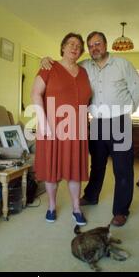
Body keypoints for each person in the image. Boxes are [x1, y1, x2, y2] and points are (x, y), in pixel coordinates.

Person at [41, 31, 139, 227]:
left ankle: (121, 211)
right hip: (96, 122)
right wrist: (46, 60)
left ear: (106, 45)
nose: (94, 48)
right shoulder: (84, 66)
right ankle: (91, 196)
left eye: (98, 43)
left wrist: (125, 111)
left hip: (119, 122)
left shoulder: (122, 64)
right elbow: (65, 67)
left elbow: (138, 89)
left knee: (122, 169)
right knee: (96, 164)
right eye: (90, 45)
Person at [31, 33, 92, 225]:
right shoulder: (49, 67)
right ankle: (51, 206)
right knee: (52, 168)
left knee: (75, 169)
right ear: (63, 47)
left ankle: (76, 207)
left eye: (78, 45)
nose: (74, 47)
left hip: (77, 128)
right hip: (52, 127)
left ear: (81, 51)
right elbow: (35, 94)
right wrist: (43, 122)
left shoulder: (83, 72)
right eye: (70, 44)